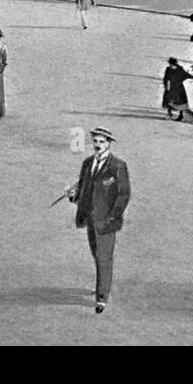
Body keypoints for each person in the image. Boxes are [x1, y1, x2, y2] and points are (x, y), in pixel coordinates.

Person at [66, 126, 130, 313]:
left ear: (109, 144)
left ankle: (101, 298)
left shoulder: (117, 166)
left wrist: (112, 217)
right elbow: (84, 191)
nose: (98, 145)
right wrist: (72, 196)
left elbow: (123, 195)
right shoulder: (87, 164)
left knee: (104, 257)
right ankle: (101, 285)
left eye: (102, 142)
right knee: (96, 254)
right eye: (95, 141)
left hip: (106, 221)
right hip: (90, 219)